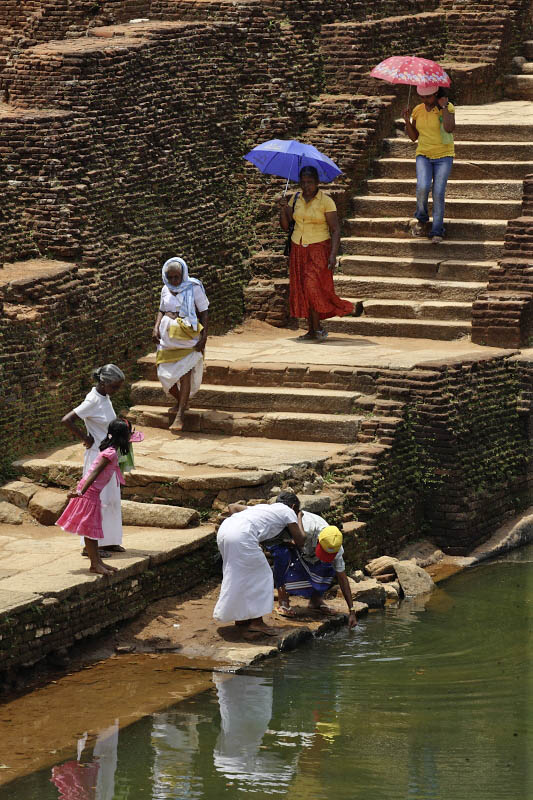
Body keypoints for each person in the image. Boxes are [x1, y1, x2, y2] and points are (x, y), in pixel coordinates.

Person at [278, 165, 362, 341]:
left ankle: (320, 326)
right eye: (303, 182)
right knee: (303, 289)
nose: (306, 185)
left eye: (310, 182)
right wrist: (283, 209)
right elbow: (286, 227)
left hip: (318, 248)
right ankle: (313, 330)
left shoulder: (326, 201)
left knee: (313, 287)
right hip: (298, 248)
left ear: (317, 182)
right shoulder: (295, 199)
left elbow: (336, 230)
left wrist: (333, 255)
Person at [213, 501, 306, 636]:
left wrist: (242, 528)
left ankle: (241, 619)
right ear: (292, 506)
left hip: (225, 531)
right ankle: (257, 622)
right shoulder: (288, 511)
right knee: (262, 576)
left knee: (238, 576)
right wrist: (298, 517)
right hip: (241, 536)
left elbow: (232, 507)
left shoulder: (262, 508)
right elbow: (301, 540)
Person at [62, 364, 125, 556]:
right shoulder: (92, 400)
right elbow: (67, 420)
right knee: (97, 502)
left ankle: (110, 540)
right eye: (114, 387)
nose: (116, 391)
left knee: (112, 500)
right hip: (97, 457)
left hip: (109, 456)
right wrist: (85, 438)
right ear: (104, 383)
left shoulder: (105, 397)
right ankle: (90, 547)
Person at [268, 492, 357, 629]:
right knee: (282, 555)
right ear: (318, 541)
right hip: (288, 542)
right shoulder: (306, 529)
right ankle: (283, 600)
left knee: (326, 566)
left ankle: (316, 600)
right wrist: (294, 544)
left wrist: (352, 611)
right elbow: (281, 539)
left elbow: (342, 578)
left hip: (305, 551)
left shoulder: (335, 546)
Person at [56, 419, 130, 576]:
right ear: (122, 437)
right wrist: (81, 492)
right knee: (90, 530)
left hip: (91, 492)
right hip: (88, 493)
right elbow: (95, 472)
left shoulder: (111, 450)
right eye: (128, 434)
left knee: (93, 528)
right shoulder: (110, 453)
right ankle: (95, 564)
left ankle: (98, 562)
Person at [152, 257, 209, 433]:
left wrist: (204, 337)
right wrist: (156, 328)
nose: (174, 281)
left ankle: (180, 415)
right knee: (164, 374)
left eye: (177, 277)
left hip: (188, 337)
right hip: (168, 338)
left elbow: (204, 312)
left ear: (183, 274)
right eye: (171, 277)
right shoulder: (165, 289)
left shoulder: (194, 287)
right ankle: (182, 401)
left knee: (185, 372)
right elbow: (162, 310)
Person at [402, 85, 455, 244]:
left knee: (438, 192)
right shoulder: (418, 110)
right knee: (423, 186)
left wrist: (444, 106)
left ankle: (437, 230)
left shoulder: (447, 107)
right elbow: (413, 137)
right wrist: (407, 120)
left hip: (444, 155)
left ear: (436, 94)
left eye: (429, 97)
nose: (426, 101)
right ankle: (422, 217)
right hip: (423, 154)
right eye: (423, 97)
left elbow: (449, 128)